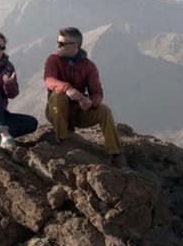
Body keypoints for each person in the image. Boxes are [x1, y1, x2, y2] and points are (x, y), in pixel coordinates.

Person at [44, 27, 127, 168]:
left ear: (75, 46)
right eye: (58, 42)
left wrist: (90, 101)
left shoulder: (88, 66)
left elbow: (97, 92)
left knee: (104, 111)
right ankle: (63, 140)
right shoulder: (53, 60)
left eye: (62, 43)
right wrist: (67, 89)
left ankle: (115, 153)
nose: (58, 46)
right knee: (58, 96)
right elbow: (49, 80)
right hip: (56, 111)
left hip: (78, 112)